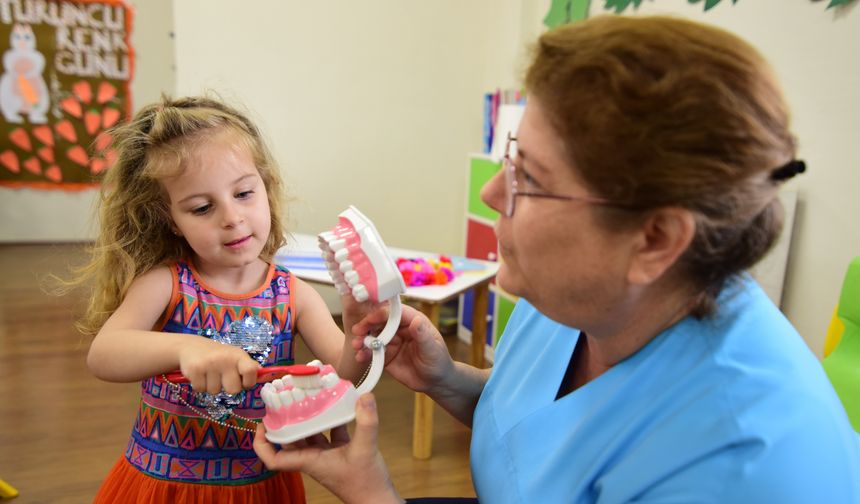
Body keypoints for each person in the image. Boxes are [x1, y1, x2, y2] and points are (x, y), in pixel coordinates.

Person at [253, 15, 860, 503]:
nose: (493, 192)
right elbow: (544, 428)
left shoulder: (742, 469)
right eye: (511, 157)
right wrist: (450, 381)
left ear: (655, 239)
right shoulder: (584, 295)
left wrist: (370, 494)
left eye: (530, 178)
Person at [74, 95, 367, 503]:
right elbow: (103, 355)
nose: (231, 217)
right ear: (171, 221)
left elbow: (348, 375)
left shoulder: (294, 294)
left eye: (244, 193)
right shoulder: (165, 283)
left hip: (260, 486)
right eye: (202, 207)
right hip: (165, 486)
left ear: (266, 187)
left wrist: (359, 327)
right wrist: (187, 347)